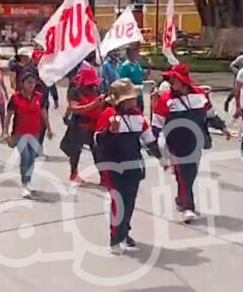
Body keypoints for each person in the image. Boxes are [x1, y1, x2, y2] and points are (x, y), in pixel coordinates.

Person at [152, 64, 228, 222]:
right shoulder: (166, 99)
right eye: (170, 79)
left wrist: (223, 128)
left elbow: (210, 115)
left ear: (182, 80)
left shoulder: (200, 95)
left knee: (189, 173)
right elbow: (156, 125)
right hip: (175, 144)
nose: (171, 82)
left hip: (195, 142)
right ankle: (188, 207)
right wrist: (157, 151)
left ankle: (181, 199)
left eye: (174, 79)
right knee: (184, 173)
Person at [96, 78, 162, 255]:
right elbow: (97, 141)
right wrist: (109, 131)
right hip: (112, 165)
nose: (134, 100)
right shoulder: (107, 115)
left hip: (133, 165)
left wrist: (161, 158)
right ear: (121, 100)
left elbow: (149, 140)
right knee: (119, 201)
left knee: (129, 201)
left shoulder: (138, 117)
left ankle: (124, 231)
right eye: (130, 98)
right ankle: (115, 238)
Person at [3, 69, 51, 199]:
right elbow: (9, 116)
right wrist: (5, 131)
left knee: (31, 158)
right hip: (20, 133)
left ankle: (28, 180)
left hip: (35, 132)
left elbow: (43, 113)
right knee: (25, 156)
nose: (31, 85)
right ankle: (25, 183)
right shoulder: (15, 98)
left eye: (33, 82)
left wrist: (48, 128)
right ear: (22, 83)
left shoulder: (39, 97)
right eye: (28, 82)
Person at [61, 66, 104, 184]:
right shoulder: (74, 92)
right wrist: (94, 104)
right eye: (89, 85)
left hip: (94, 126)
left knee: (98, 152)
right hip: (78, 125)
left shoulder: (97, 91)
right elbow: (74, 108)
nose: (91, 87)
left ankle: (103, 177)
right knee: (75, 151)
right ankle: (73, 173)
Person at [118, 45, 147, 113]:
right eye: (135, 51)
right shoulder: (125, 66)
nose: (137, 53)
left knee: (141, 109)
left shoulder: (137, 64)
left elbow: (143, 77)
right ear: (130, 53)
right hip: (131, 93)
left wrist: (149, 68)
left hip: (139, 92)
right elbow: (121, 81)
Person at [224, 45, 243, 113]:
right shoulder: (242, 58)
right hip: (240, 77)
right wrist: (237, 72)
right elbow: (232, 65)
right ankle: (228, 101)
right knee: (236, 91)